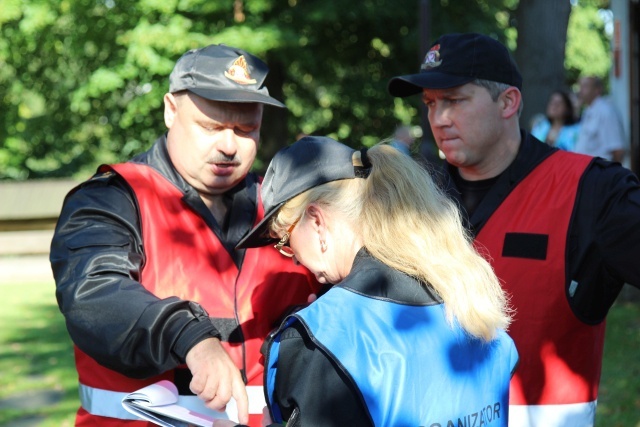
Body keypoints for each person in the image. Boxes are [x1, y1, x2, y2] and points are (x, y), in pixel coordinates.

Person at [49, 44, 320, 426]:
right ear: (170, 110)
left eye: (246, 129)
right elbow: (93, 292)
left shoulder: (287, 205)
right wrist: (188, 336)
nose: (229, 146)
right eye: (211, 127)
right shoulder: (110, 198)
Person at [387, 32, 640, 426]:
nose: (438, 119)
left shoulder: (592, 191)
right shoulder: (411, 197)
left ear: (508, 102)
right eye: (431, 104)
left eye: (454, 100)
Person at [231, 135, 518, 426]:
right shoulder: (464, 293)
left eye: (285, 240)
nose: (292, 258)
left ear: (316, 221)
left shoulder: (318, 339)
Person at [574, 75, 626, 162]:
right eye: (580, 86)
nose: (581, 90)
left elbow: (617, 149)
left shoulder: (606, 111)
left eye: (585, 86)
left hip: (600, 171)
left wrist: (612, 173)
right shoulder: (587, 111)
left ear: (597, 90)